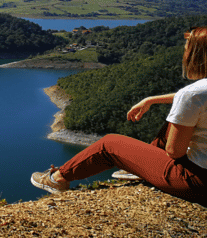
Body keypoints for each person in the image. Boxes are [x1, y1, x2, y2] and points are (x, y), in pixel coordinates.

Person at [31, 27, 207, 204]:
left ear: (197, 55)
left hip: (195, 182)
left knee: (109, 144)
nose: (184, 54)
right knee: (172, 126)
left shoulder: (192, 94)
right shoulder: (195, 94)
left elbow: (175, 152)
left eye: (186, 49)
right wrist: (152, 99)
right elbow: (194, 99)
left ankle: (56, 179)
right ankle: (140, 167)